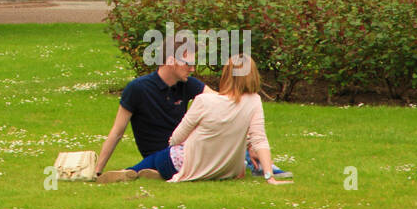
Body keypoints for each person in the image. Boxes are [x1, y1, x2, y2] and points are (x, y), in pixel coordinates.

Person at [95, 49, 290, 180]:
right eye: (188, 63)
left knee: (227, 143)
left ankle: (263, 165)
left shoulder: (188, 83)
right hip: (166, 150)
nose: (193, 68)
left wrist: (247, 142)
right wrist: (97, 170)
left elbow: (225, 106)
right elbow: (117, 132)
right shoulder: (137, 88)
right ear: (171, 61)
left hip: (186, 147)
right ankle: (265, 168)